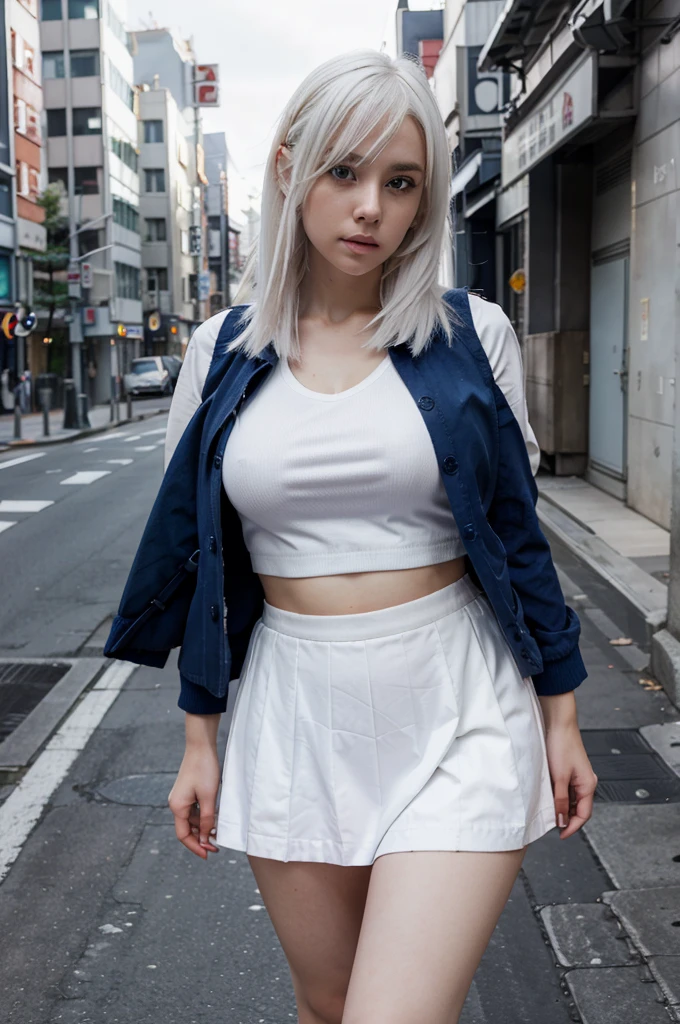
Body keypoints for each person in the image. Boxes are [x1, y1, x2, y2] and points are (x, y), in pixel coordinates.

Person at [106, 49, 597, 1024]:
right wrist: (200, 738)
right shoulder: (224, 353)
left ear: (421, 199)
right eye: (344, 172)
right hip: (295, 704)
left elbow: (514, 537)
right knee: (329, 1005)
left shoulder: (469, 336)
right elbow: (202, 555)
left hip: (456, 700)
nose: (370, 205)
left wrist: (561, 713)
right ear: (290, 169)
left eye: (400, 181)